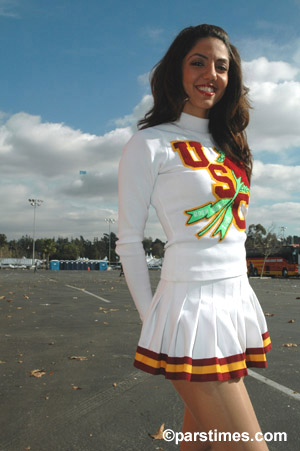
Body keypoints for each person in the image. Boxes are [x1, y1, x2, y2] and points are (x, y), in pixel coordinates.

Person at [116, 24, 272, 450]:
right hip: (188, 310)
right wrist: (155, 323)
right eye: (198, 61)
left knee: (200, 441)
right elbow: (129, 242)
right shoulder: (148, 144)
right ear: (177, 70)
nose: (210, 73)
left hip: (233, 305)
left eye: (221, 66)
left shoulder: (232, 144)